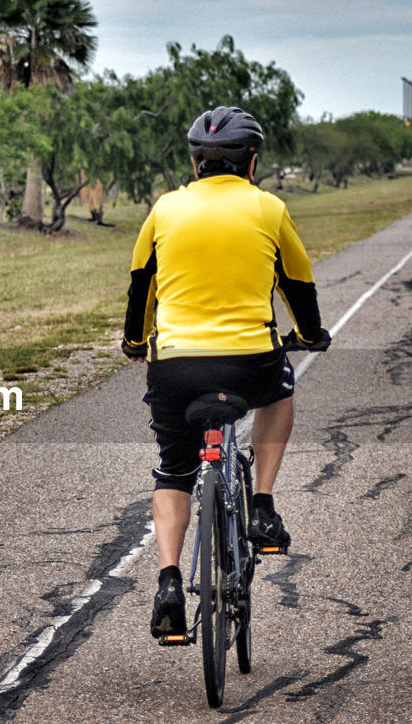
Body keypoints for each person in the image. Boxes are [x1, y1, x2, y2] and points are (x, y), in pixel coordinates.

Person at [121, 106, 330, 642]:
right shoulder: (269, 208)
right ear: (252, 162)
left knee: (173, 470)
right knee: (281, 390)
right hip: (249, 362)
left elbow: (142, 285)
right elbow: (297, 283)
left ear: (196, 165)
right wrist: (309, 334)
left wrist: (135, 342)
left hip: (174, 367)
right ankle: (261, 504)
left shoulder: (164, 210)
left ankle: (169, 580)